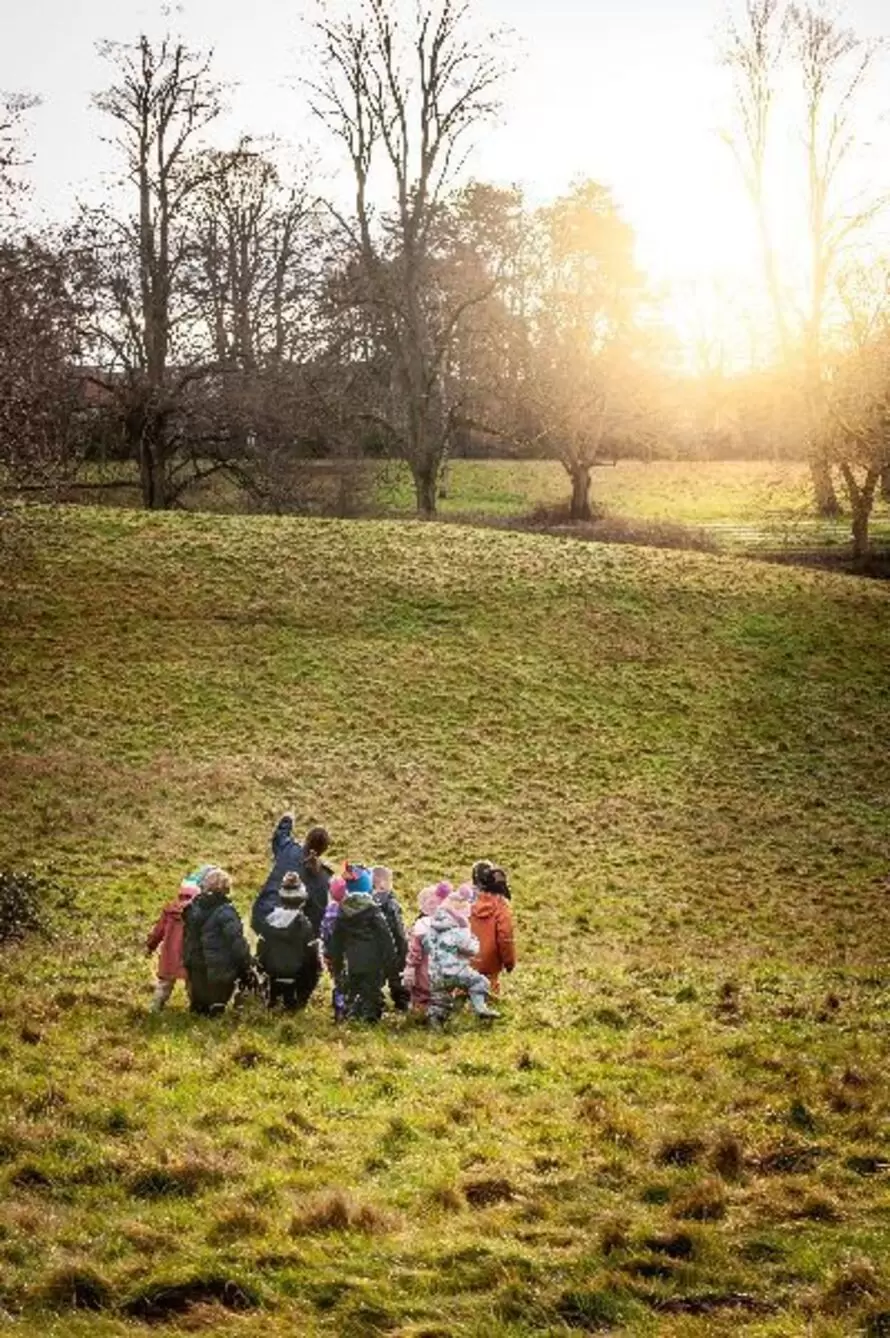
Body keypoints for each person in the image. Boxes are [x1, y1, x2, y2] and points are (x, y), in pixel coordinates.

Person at [328, 863, 396, 1023]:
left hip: (352, 961)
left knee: (354, 989)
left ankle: (352, 1014)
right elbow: (385, 936)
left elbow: (336, 941)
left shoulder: (343, 912)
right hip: (373, 961)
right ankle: (369, 1017)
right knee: (371, 992)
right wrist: (390, 960)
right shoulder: (373, 911)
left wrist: (336, 962)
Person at [425, 888, 499, 1028]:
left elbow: (427, 945)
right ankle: (480, 1008)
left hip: (436, 973)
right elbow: (471, 949)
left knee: (439, 998)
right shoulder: (459, 928)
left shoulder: (433, 928)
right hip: (456, 970)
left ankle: (435, 1022)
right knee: (479, 981)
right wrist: (472, 940)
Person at [183, 868, 252, 1016]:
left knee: (198, 1011)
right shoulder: (226, 911)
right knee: (215, 1011)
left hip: (195, 967)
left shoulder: (193, 907)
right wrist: (247, 963)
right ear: (226, 888)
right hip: (219, 971)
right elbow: (236, 941)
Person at [252, 812, 332, 936]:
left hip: (263, 914)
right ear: (324, 849)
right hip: (288, 930)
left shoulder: (289, 849)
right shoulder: (322, 878)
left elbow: (280, 837)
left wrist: (287, 819)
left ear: (306, 839)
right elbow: (317, 917)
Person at [145, 867, 209, 1011]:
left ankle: (155, 1007)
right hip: (191, 956)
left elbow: (158, 932)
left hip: (170, 955)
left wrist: (150, 946)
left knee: (164, 984)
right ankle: (197, 1009)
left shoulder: (169, 911)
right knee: (193, 984)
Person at [255, 872, 319, 1011]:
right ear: (302, 900)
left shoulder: (269, 920)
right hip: (297, 977)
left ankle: (272, 998)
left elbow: (261, 952)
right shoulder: (303, 924)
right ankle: (299, 1001)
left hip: (272, 974)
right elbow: (311, 959)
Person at [402, 883, 449, 1016]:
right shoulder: (442, 925)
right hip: (434, 968)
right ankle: (434, 1014)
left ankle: (422, 1014)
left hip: (428, 968)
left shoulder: (421, 926)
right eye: (432, 903)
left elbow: (414, 951)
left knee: (423, 993)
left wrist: (410, 965)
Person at [470, 865, 516, 994]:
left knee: (463, 998)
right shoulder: (501, 906)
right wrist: (509, 962)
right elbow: (505, 937)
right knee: (489, 998)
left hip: (466, 963)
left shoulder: (467, 902)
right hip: (489, 966)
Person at [372, 866, 410, 1012]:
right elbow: (398, 929)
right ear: (383, 884)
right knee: (396, 978)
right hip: (393, 948)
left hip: (374, 949)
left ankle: (375, 1003)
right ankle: (402, 1003)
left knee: (376, 979)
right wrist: (403, 947)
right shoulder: (391, 904)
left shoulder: (367, 900)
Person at [320, 875, 348, 1022]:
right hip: (348, 952)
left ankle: (339, 1009)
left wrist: (325, 950)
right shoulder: (350, 909)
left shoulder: (329, 910)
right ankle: (350, 1006)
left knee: (338, 980)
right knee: (348, 978)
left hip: (333, 952)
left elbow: (324, 932)